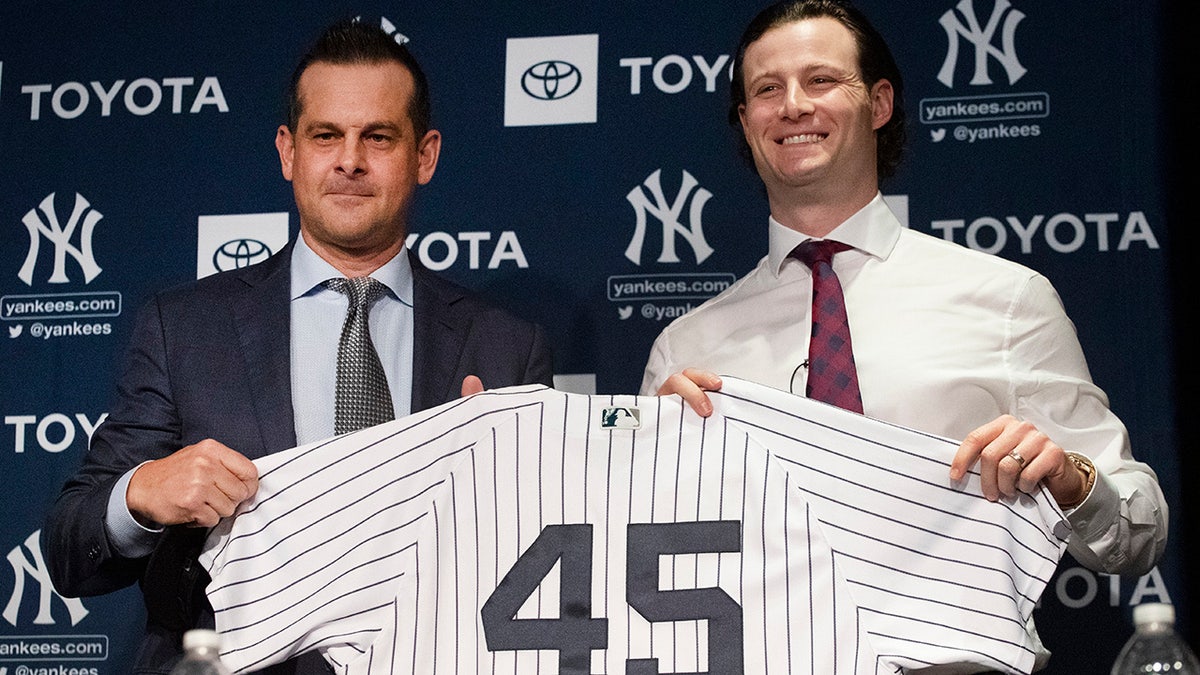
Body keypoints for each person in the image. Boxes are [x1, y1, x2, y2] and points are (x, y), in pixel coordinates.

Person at [640, 0, 1167, 668]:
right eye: (766, 90)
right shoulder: (686, 348)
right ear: (747, 125)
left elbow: (1139, 532)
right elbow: (648, 569)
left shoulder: (1007, 301)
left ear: (879, 102)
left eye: (821, 80)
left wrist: (1069, 475)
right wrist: (655, 467)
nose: (793, 105)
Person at [42, 18, 553, 674]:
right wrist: (141, 490)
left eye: (378, 136)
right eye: (325, 136)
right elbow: (67, 545)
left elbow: (549, 557)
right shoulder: (184, 329)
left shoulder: (507, 345)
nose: (349, 160)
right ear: (289, 152)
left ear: (424, 155)